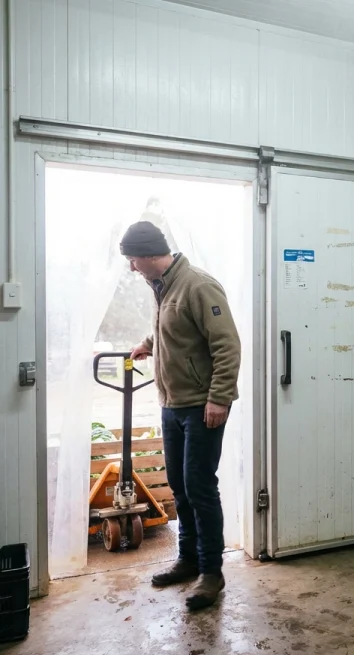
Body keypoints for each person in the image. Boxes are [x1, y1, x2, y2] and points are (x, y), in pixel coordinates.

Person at [120, 220, 241, 611]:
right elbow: (174, 328)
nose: (131, 267)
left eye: (133, 259)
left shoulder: (198, 285)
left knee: (200, 487)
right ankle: (188, 559)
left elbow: (227, 345)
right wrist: (148, 343)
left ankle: (211, 572)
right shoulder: (163, 286)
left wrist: (219, 398)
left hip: (202, 406)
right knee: (180, 486)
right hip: (172, 405)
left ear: (150, 254)